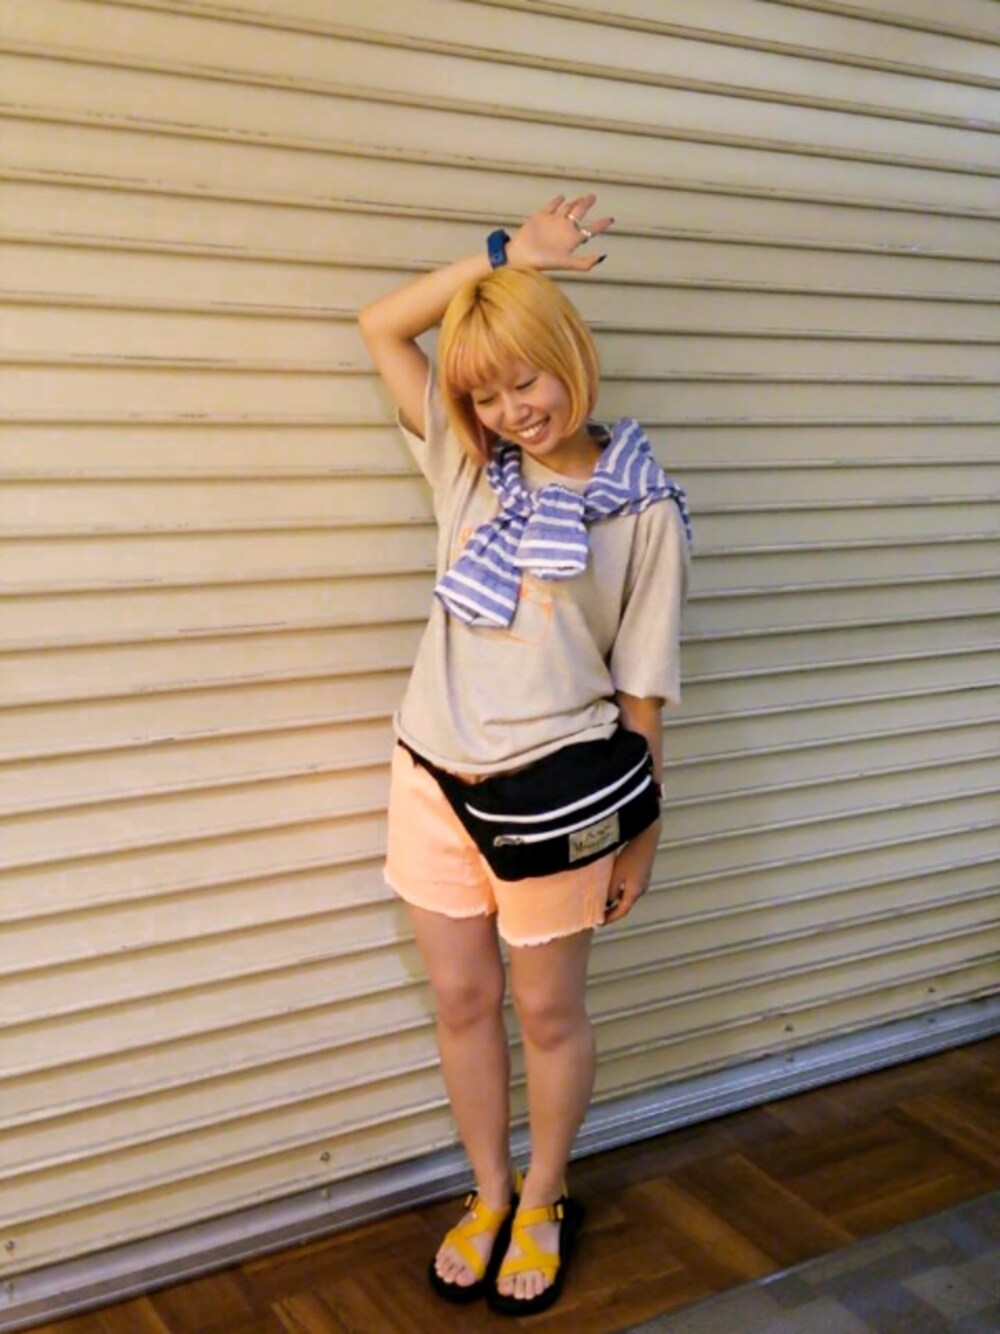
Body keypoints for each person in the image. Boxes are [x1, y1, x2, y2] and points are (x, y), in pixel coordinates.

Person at [358, 193, 690, 1316]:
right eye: (486, 394)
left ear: (571, 357)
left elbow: (643, 683)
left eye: (526, 381)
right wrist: (505, 257)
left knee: (546, 1013)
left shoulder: (641, 506)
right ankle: (488, 1191)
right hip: (429, 775)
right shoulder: (467, 465)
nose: (511, 410)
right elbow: (378, 326)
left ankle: (545, 1196)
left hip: (558, 795)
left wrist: (642, 829)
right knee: (462, 1000)